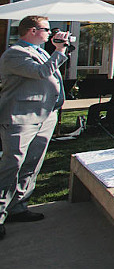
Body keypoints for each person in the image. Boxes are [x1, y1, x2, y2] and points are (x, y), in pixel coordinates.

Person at [0, 16, 70, 239]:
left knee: (32, 164)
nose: (50, 33)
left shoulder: (40, 51)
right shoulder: (15, 53)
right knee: (12, 165)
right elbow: (41, 73)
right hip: (21, 117)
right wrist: (58, 51)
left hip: (45, 116)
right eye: (46, 30)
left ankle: (18, 207)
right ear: (32, 30)